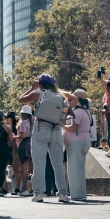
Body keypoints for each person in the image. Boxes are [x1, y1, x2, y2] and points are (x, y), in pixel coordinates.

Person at [19, 73, 70, 203]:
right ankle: (63, 194)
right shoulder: (60, 97)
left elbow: (21, 99)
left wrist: (32, 88)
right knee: (58, 164)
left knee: (39, 163)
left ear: (40, 84)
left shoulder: (38, 94)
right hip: (56, 130)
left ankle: (38, 193)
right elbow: (68, 112)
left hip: (41, 128)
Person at [63, 92, 91, 201]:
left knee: (74, 169)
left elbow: (73, 127)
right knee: (79, 168)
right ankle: (80, 193)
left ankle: (77, 195)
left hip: (76, 142)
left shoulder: (77, 112)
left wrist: (62, 125)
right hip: (83, 140)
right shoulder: (86, 111)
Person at [16, 106, 33, 196]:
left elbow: (22, 135)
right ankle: (35, 188)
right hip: (31, 143)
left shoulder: (22, 123)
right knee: (32, 167)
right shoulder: (32, 123)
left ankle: (24, 188)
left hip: (23, 143)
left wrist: (13, 137)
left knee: (24, 168)